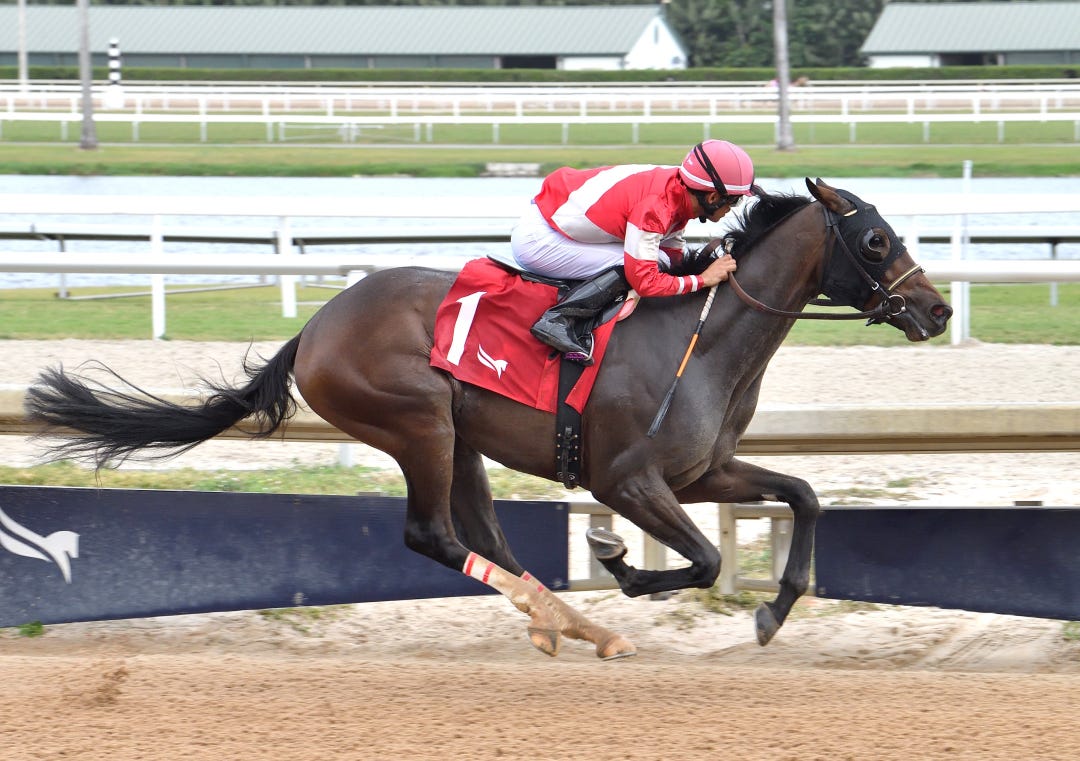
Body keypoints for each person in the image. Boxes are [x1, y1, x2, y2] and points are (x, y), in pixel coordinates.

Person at [508, 139, 755, 365]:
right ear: (712, 197)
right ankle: (557, 320)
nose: (732, 208)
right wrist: (702, 279)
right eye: (734, 201)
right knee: (640, 266)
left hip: (552, 219)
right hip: (539, 240)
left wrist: (686, 281)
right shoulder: (656, 207)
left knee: (661, 260)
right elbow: (645, 281)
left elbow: (672, 256)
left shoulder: (678, 190)